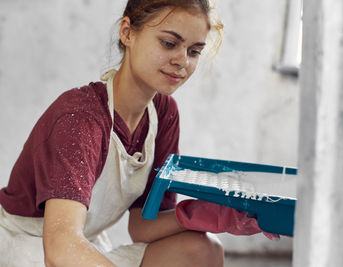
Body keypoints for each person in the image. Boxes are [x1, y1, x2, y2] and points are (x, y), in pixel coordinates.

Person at [0, 0, 276, 266]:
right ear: (127, 32)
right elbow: (60, 250)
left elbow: (141, 226)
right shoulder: (81, 118)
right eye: (169, 43)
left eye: (194, 51)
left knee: (202, 251)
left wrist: (206, 215)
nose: (182, 61)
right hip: (28, 248)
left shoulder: (164, 113)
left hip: (84, 245)